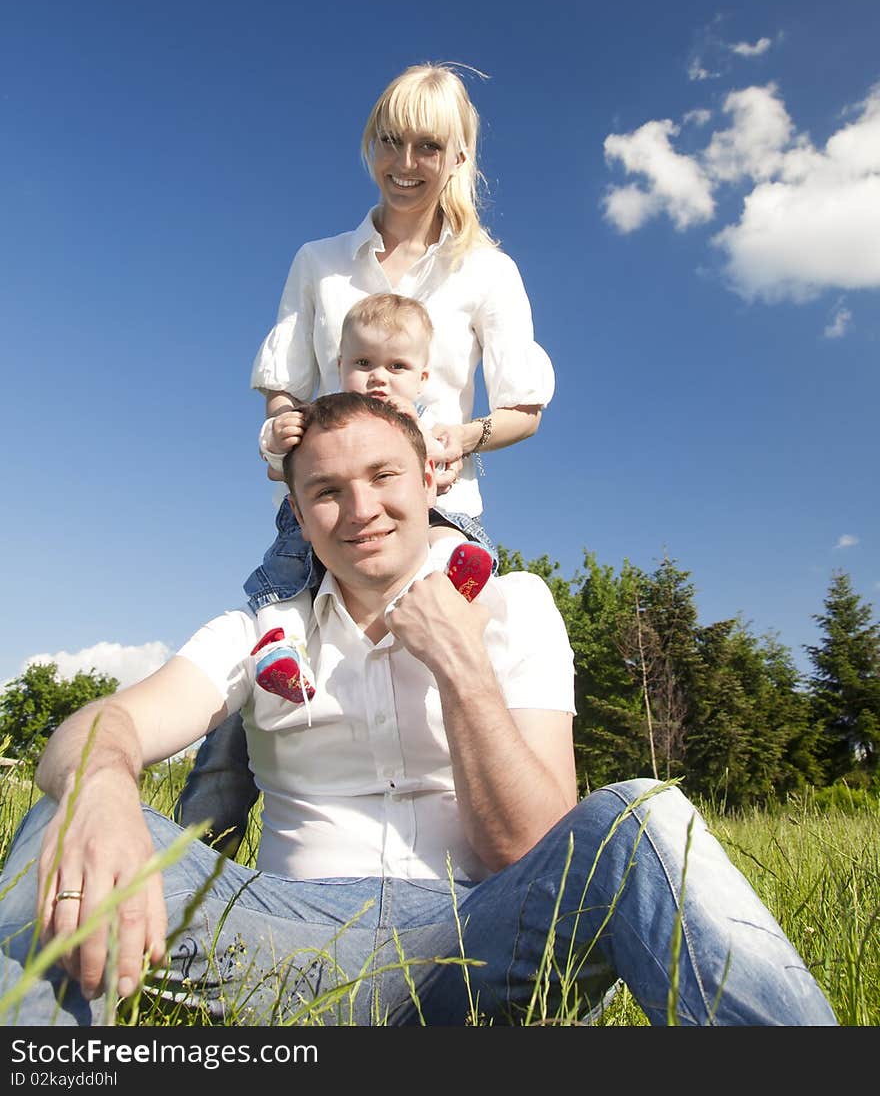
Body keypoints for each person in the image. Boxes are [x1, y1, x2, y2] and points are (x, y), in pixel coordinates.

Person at [0, 395, 838, 1027]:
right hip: (287, 943)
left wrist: (458, 657)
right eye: (325, 490)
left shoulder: (514, 605)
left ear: (432, 477)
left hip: (476, 939)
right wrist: (104, 785)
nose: (359, 509)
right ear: (297, 513)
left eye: (381, 476)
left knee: (645, 817)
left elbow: (530, 847)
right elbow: (103, 724)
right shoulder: (258, 631)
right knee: (59, 819)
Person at [174, 61, 556, 851]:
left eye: (427, 145)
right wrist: (281, 431)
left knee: (450, 684)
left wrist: (461, 436)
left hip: (436, 510)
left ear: (458, 157)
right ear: (368, 146)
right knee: (259, 666)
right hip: (324, 506)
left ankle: (491, 876)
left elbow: (525, 407)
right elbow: (284, 386)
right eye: (390, 141)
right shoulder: (319, 263)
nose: (405, 163)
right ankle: (186, 874)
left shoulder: (487, 272)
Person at [250, 293, 496, 706]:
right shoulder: (323, 416)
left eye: (397, 366)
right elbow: (278, 458)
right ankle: (282, 648)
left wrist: (416, 429)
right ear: (340, 367)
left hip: (423, 514)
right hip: (315, 526)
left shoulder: (423, 418)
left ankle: (456, 577)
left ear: (422, 379)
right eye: (363, 363)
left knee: (445, 533)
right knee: (286, 581)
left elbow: (437, 454)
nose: (379, 377)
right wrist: (276, 437)